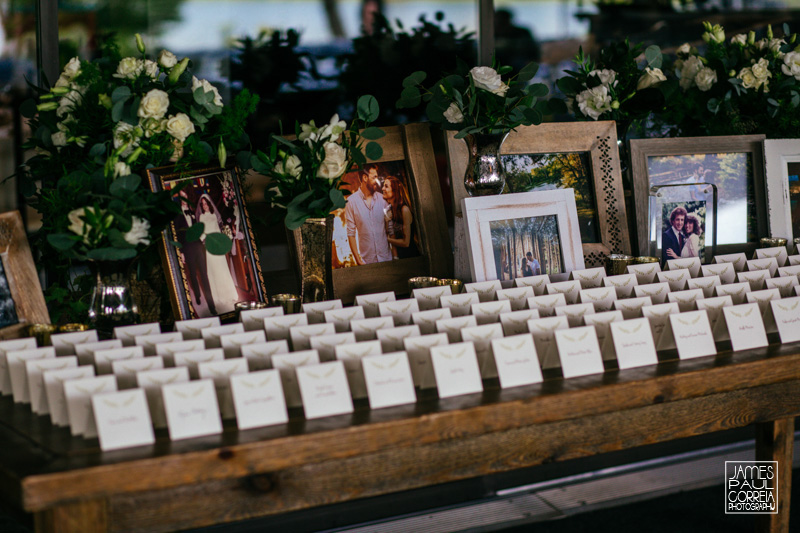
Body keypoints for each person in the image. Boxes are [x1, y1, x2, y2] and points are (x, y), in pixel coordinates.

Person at [173, 188, 217, 316]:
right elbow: (177, 234)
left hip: (198, 247)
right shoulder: (177, 215)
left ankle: (211, 305)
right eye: (182, 196)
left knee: (204, 275)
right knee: (192, 274)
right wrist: (180, 252)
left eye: (186, 195)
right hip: (187, 248)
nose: (184, 199)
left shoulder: (193, 211)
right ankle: (197, 295)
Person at [196, 194, 240, 314]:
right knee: (213, 271)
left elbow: (218, 230)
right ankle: (218, 297)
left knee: (222, 269)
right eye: (203, 204)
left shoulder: (214, 216)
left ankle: (228, 294)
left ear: (210, 204)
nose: (204, 206)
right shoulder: (202, 218)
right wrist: (207, 239)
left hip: (218, 246)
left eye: (206, 203)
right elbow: (201, 233)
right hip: (210, 247)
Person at [345, 165, 393, 265]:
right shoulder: (351, 202)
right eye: (374, 177)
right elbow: (351, 234)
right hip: (367, 262)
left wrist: (395, 256)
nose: (377, 180)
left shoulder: (383, 199)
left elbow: (390, 229)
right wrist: (358, 261)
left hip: (387, 259)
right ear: (365, 178)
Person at [382, 176, 419, 260]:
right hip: (399, 258)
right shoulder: (390, 211)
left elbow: (406, 243)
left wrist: (386, 239)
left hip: (411, 257)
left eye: (386, 186)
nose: (382, 188)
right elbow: (391, 234)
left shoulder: (404, 210)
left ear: (395, 191)